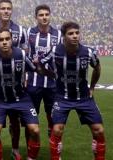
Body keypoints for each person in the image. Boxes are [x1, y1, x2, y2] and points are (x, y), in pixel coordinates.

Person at [0, 28, 53, 160]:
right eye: (1, 40)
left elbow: (35, 69)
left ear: (12, 40)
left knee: (35, 130)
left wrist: (53, 74)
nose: (4, 42)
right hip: (0, 100)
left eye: (7, 39)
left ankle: (31, 158)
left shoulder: (21, 55)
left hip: (21, 98)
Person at [45, 22, 106, 160]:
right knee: (56, 130)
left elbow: (97, 67)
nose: (75, 36)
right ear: (64, 36)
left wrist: (92, 87)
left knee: (99, 130)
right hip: (62, 97)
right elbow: (40, 64)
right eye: (71, 34)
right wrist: (52, 74)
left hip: (84, 98)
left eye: (77, 33)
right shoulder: (55, 51)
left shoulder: (88, 52)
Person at [0, 0, 28, 158]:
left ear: (12, 11)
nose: (6, 11)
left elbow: (24, 52)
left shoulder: (20, 30)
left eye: (9, 8)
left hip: (15, 83)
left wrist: (24, 75)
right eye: (3, 8)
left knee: (14, 120)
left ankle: (15, 149)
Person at [26, 4, 62, 139]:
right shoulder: (28, 32)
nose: (44, 17)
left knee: (53, 116)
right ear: (36, 17)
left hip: (52, 82)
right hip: (33, 82)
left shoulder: (58, 34)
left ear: (50, 16)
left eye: (46, 14)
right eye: (41, 15)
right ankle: (31, 149)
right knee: (30, 118)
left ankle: (53, 147)